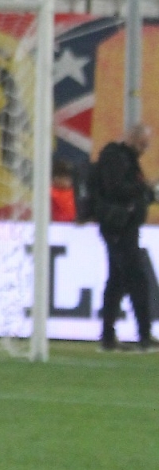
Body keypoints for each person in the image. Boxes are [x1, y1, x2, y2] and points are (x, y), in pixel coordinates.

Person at [89, 124, 153, 350]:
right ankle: (144, 335)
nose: (144, 149)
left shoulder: (124, 159)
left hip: (124, 228)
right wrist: (142, 189)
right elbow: (116, 189)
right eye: (143, 144)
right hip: (118, 227)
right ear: (133, 139)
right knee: (136, 278)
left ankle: (108, 337)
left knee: (117, 281)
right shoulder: (115, 157)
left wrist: (145, 193)